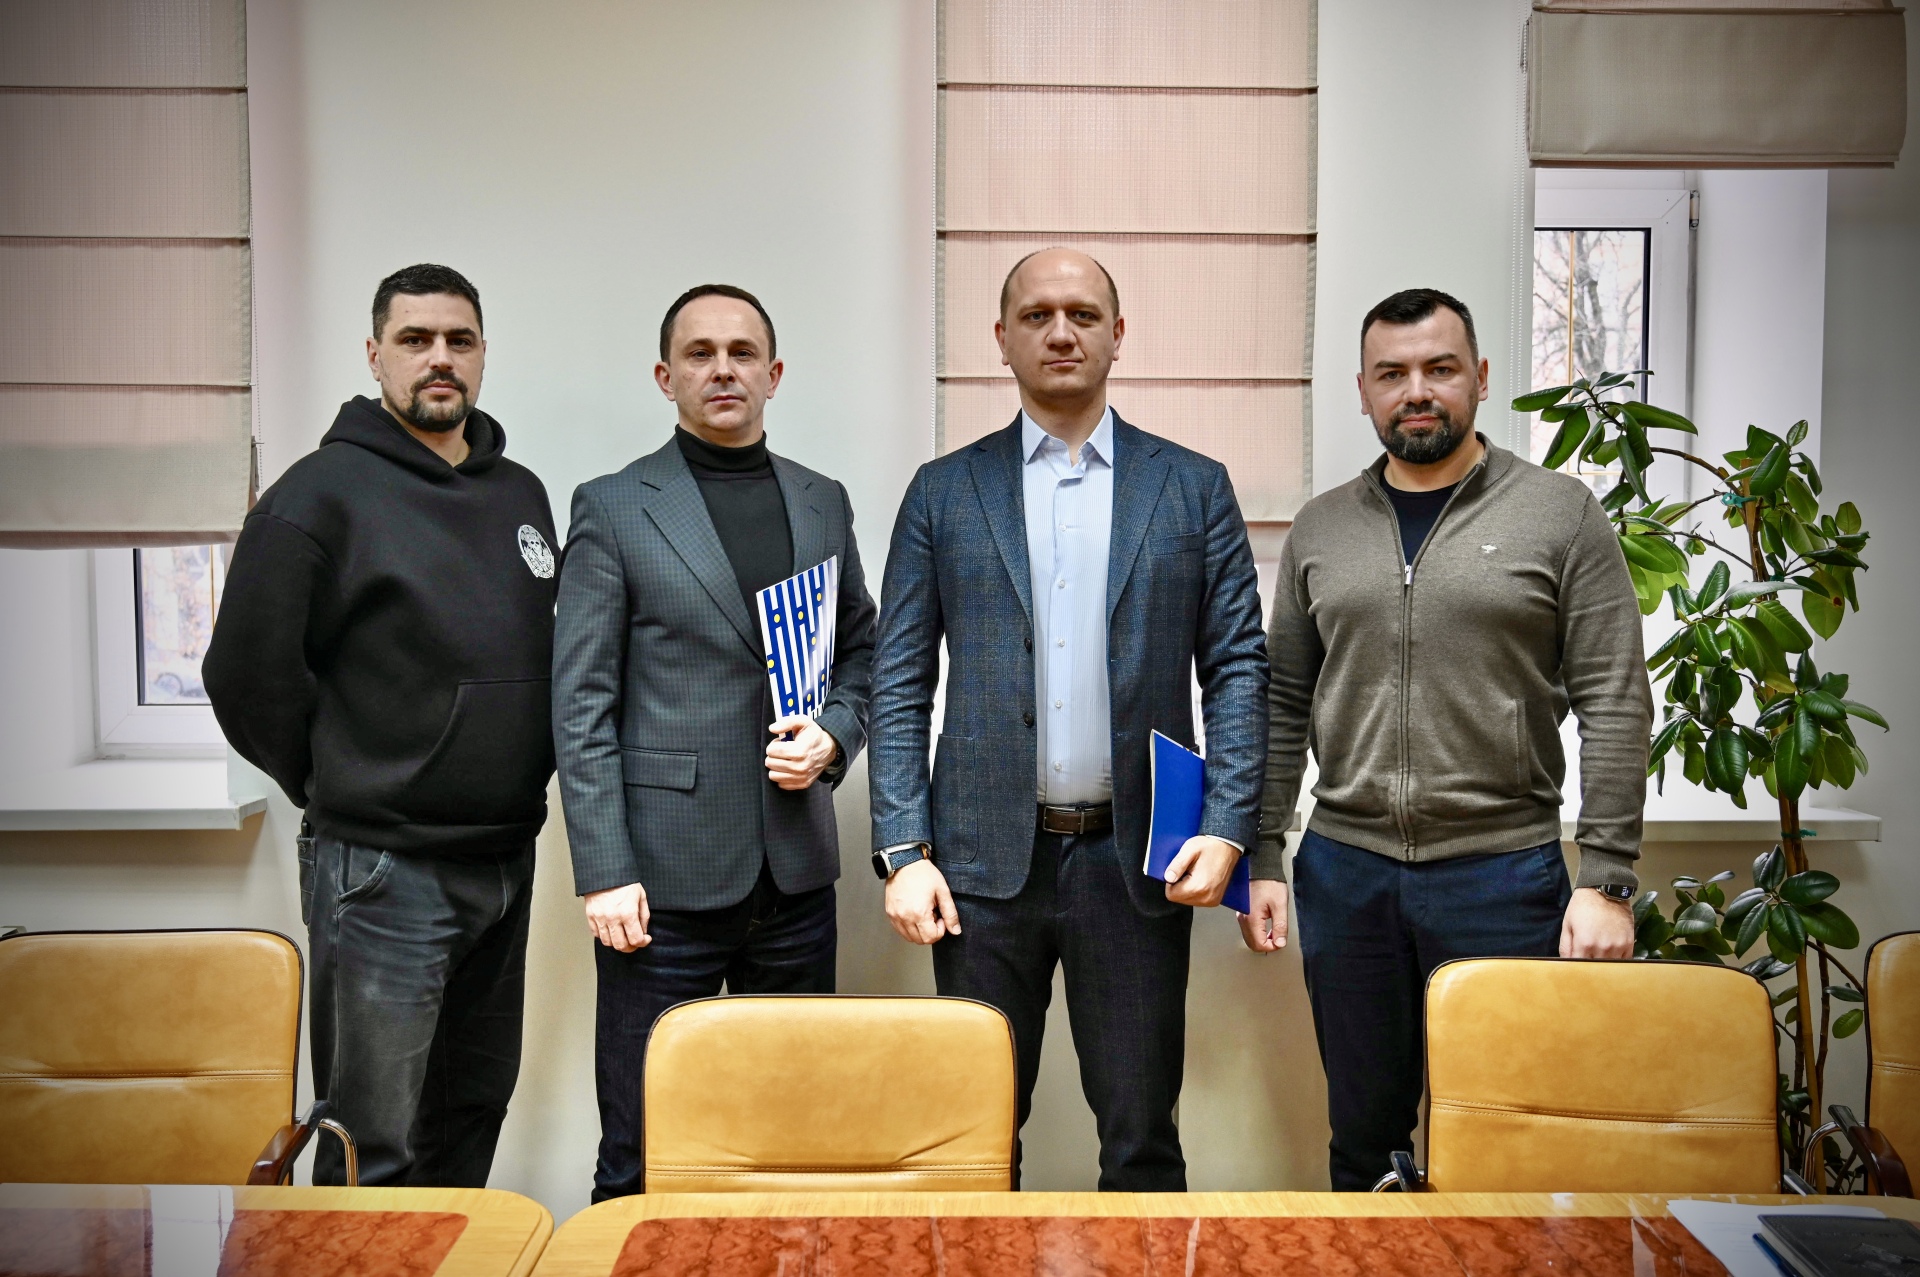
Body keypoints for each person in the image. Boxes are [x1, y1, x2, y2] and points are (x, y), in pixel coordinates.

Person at [867, 249, 1269, 1190]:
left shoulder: (1192, 486)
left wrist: (1227, 826)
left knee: (1141, 1142)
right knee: (971, 1143)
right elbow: (898, 680)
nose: (1061, 332)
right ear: (1001, 339)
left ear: (1117, 335)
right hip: (977, 871)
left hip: (1136, 864)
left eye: (1084, 314)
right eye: (1037, 314)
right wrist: (902, 847)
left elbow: (1239, 666)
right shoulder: (942, 491)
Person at [1246, 287, 1652, 1190]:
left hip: (1503, 874)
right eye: (1392, 373)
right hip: (1346, 872)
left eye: (1439, 368)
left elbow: (1616, 697)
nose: (1417, 391)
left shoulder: (1560, 513)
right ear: (1363, 390)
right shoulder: (1320, 527)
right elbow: (1282, 700)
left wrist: (1607, 877)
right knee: (1363, 1139)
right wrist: (1264, 851)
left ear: (1481, 377)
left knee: (1505, 1138)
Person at [204, 264, 557, 1187]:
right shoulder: (316, 496)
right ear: (374, 355)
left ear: (482, 354)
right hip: (382, 871)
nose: (439, 358)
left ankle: (452, 1254)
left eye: (459, 340)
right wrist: (338, 776)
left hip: (504, 863)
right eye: (415, 339)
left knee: (472, 1109)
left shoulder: (520, 494)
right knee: (375, 1141)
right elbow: (241, 676)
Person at [553, 283, 878, 1201]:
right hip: (661, 886)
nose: (723, 369)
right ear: (666, 376)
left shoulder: (822, 501)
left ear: (775, 373)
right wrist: (603, 869)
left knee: (792, 1139)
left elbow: (863, 649)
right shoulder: (614, 506)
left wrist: (835, 736)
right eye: (700, 353)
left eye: (742, 352)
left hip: (797, 877)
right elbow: (580, 702)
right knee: (643, 1147)